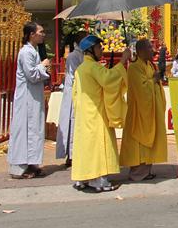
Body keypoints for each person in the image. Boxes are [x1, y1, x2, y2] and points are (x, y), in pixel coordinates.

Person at [71, 35, 128, 193]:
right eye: (99, 47)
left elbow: (75, 93)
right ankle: (99, 181)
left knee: (85, 146)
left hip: (84, 113)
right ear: (90, 50)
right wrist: (123, 61)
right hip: (96, 112)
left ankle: (83, 178)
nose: (101, 50)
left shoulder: (82, 68)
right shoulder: (93, 67)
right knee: (97, 146)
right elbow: (109, 80)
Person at [7, 22, 51, 179]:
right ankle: (20, 167)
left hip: (34, 97)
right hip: (26, 98)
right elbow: (32, 75)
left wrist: (41, 66)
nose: (43, 34)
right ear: (32, 34)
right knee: (24, 130)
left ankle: (32, 163)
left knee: (34, 130)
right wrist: (42, 66)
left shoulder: (34, 51)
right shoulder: (26, 52)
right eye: (41, 31)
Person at [120, 39, 168, 181]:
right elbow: (141, 89)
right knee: (139, 141)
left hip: (149, 110)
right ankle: (137, 173)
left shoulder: (149, 65)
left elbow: (152, 82)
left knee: (150, 140)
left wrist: (156, 77)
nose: (152, 49)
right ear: (140, 51)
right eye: (149, 47)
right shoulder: (134, 67)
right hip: (139, 112)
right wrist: (153, 80)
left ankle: (145, 171)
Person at [56, 31, 88, 167]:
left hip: (82, 92)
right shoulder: (74, 56)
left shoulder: (83, 55)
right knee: (72, 123)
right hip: (74, 93)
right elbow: (77, 75)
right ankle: (71, 155)